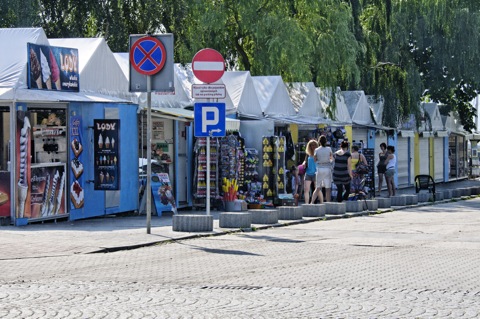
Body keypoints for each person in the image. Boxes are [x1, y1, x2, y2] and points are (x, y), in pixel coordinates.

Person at [311, 135, 333, 203]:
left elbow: (314, 160)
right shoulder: (329, 149)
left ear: (319, 142)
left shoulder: (316, 150)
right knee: (328, 188)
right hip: (327, 168)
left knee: (317, 188)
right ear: (326, 141)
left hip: (319, 169)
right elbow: (331, 158)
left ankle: (311, 202)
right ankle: (328, 202)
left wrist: (319, 160)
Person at [303, 139, 318, 204]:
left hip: (316, 173)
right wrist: (304, 164)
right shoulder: (307, 154)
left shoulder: (318, 153)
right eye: (311, 145)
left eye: (314, 145)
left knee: (316, 189)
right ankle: (307, 203)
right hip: (308, 173)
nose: (313, 146)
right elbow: (305, 161)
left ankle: (314, 202)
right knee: (306, 189)